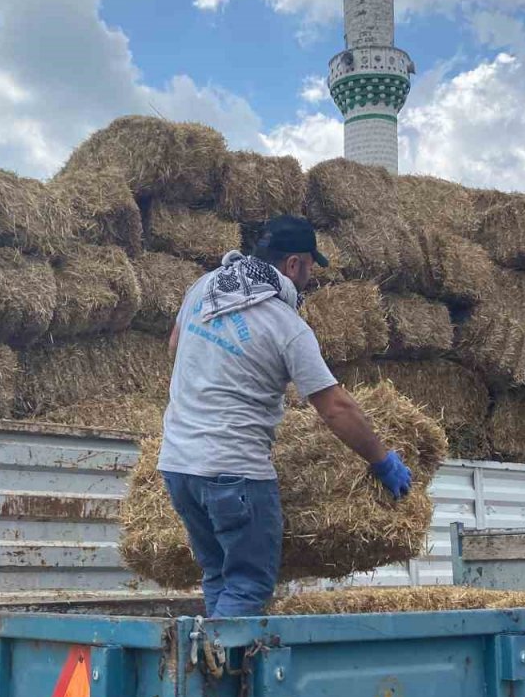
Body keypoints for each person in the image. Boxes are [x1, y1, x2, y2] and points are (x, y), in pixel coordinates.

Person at [158, 215, 413, 618]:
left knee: (218, 576)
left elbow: (175, 345)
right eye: (311, 267)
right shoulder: (286, 325)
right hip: (234, 472)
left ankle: (211, 662)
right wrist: (382, 461)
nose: (310, 278)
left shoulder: (205, 288)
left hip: (177, 467)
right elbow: (335, 408)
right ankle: (213, 676)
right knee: (248, 585)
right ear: (293, 265)